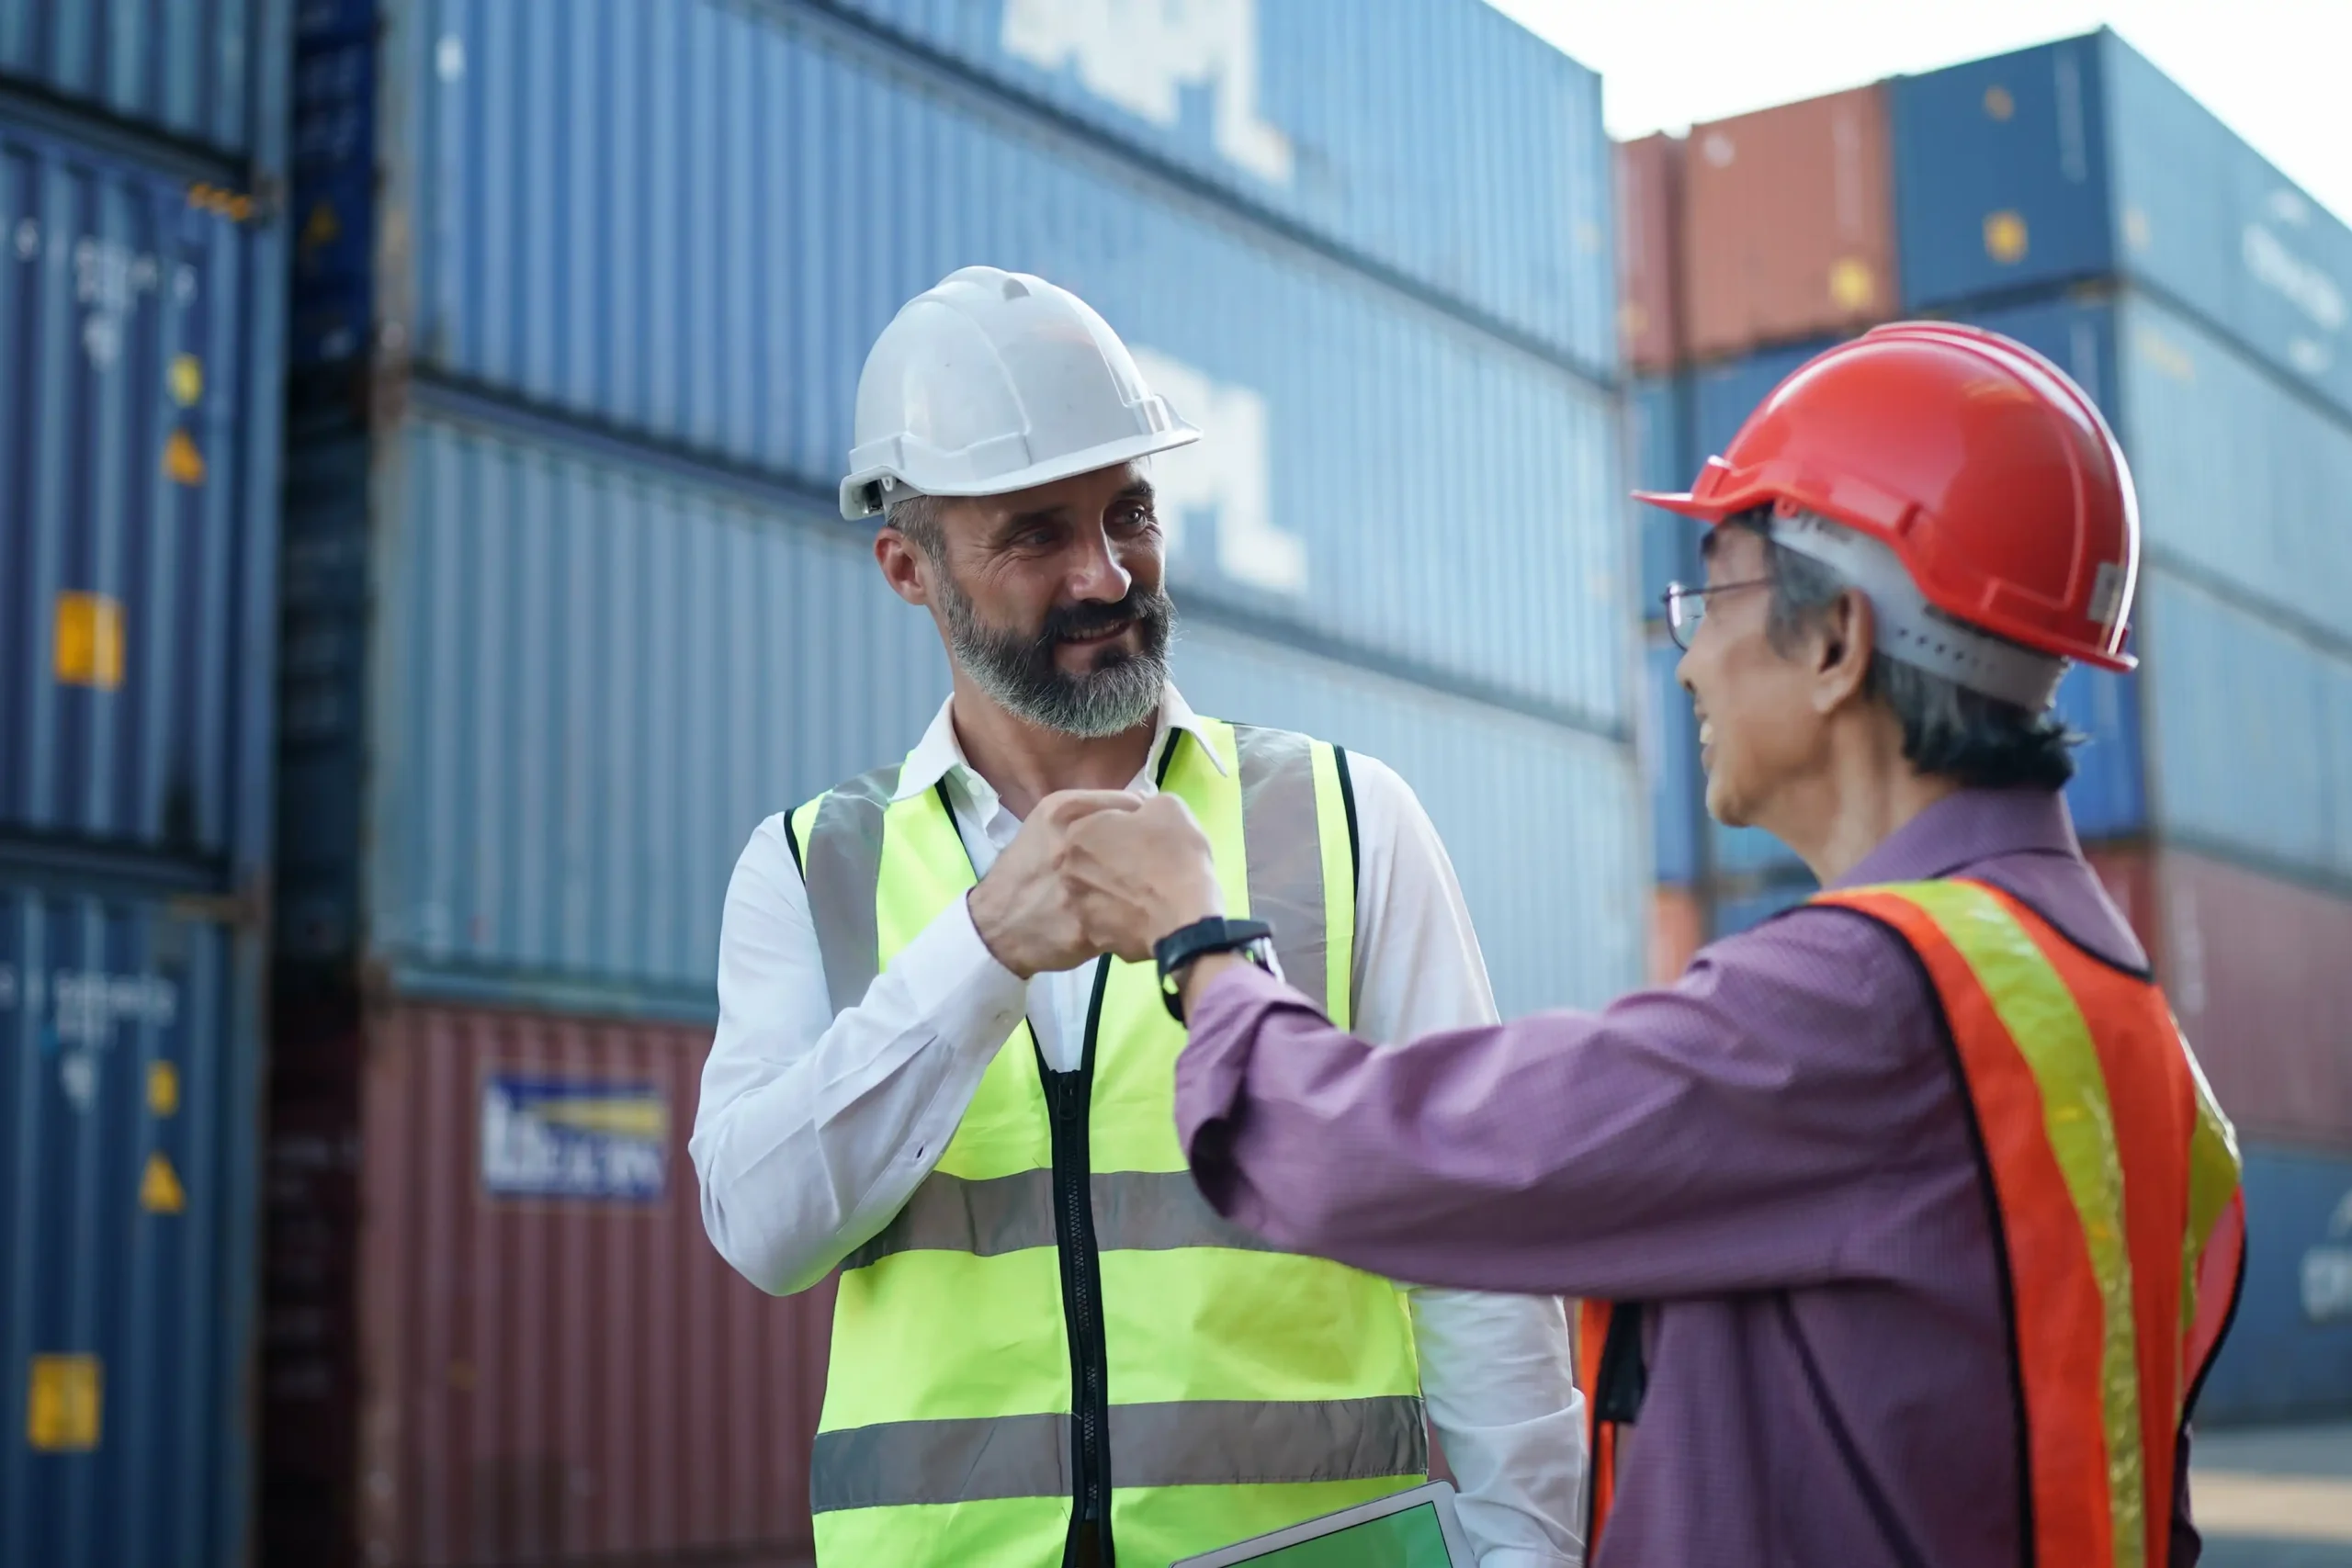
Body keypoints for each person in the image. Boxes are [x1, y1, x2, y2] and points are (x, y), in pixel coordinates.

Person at [1063, 322, 2249, 1566]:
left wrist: (1200, 938)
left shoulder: (1865, 1002)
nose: (1685, 660)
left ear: (1839, 641)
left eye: (1709, 595)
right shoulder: (2102, 994)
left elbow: (1372, 1155)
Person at [689, 266, 1586, 1568]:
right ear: (909, 566)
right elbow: (765, 1231)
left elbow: (1477, 1247)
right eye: (1036, 532)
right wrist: (982, 948)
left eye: (1131, 513)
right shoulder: (806, 869)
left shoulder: (1344, 819)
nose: (1107, 572)